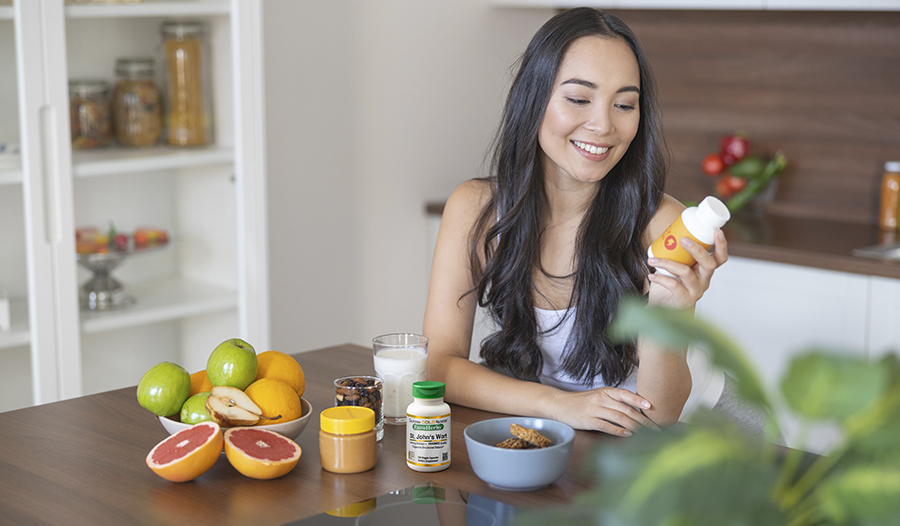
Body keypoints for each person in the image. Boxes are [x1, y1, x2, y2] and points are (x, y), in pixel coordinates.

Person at [423, 8, 728, 437]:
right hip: (569, 428)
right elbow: (438, 365)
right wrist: (560, 406)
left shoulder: (663, 225)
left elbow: (660, 412)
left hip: (696, 434)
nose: (603, 125)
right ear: (534, 98)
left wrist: (668, 310)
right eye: (579, 98)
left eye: (624, 104)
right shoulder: (475, 209)